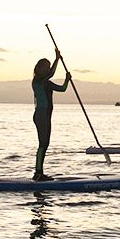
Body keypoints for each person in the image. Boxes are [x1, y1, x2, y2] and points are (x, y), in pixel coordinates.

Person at [32, 50, 71, 181]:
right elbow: (51, 74)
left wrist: (67, 80)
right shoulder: (38, 81)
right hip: (41, 115)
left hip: (46, 116)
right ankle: (38, 173)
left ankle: (39, 172)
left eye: (48, 67)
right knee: (43, 144)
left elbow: (62, 89)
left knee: (45, 144)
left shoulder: (46, 83)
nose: (48, 69)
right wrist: (57, 59)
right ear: (39, 69)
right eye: (46, 67)